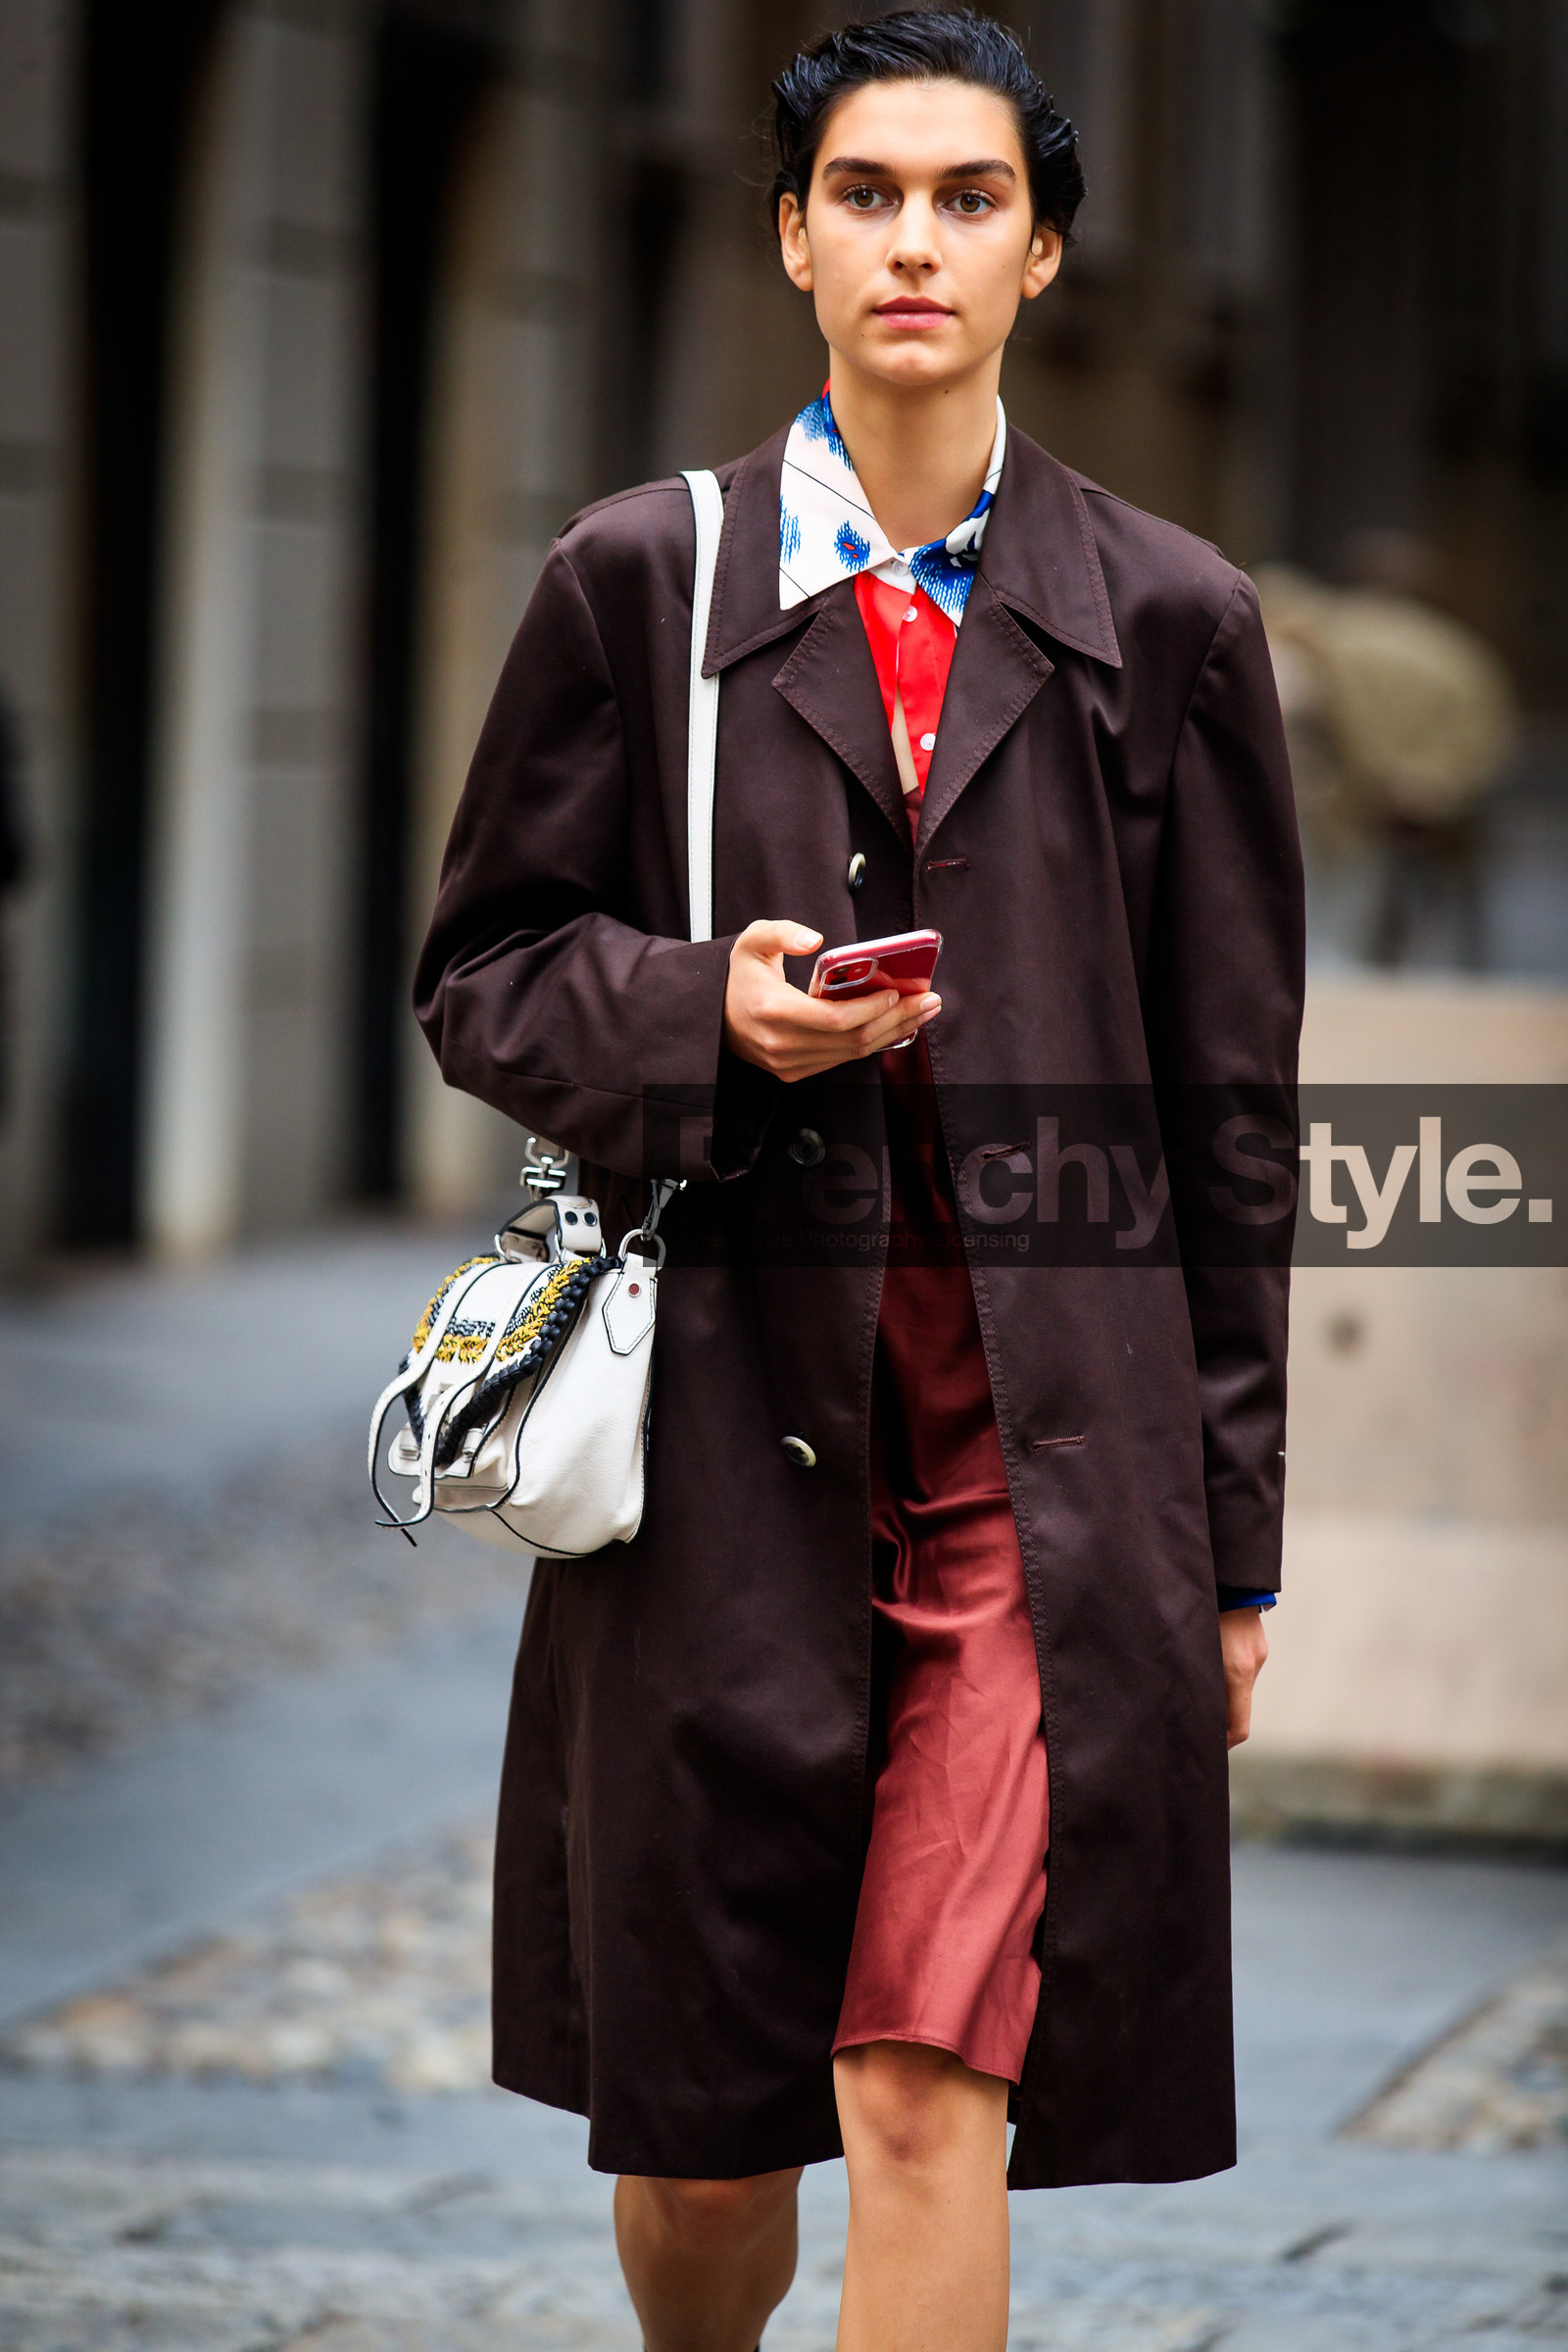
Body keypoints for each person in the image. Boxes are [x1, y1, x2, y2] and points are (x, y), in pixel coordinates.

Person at [415, 14, 1301, 2349]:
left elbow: (1229, 1118)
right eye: (870, 193)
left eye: (971, 198)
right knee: (706, 2147)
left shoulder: (1175, 628)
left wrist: (1228, 1549)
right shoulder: (635, 581)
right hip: (719, 1459)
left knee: (926, 2086)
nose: (917, 238)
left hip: (1041, 1473)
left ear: (1042, 255)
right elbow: (480, 976)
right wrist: (704, 1006)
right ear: (790, 236)